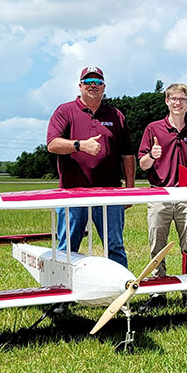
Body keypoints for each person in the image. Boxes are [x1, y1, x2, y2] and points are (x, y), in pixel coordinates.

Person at [46, 65, 134, 269]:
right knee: (67, 246)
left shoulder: (116, 115)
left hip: (109, 193)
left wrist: (129, 189)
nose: (92, 86)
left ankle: (119, 293)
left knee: (115, 245)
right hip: (72, 192)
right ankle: (62, 294)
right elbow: (52, 144)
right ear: (80, 86)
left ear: (104, 87)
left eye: (97, 82)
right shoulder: (65, 111)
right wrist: (79, 145)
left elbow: (127, 154)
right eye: (88, 82)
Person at [136, 83, 187, 311]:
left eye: (182, 99)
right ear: (167, 101)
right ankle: (158, 292)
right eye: (173, 99)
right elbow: (142, 164)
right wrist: (151, 155)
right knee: (157, 245)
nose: (178, 103)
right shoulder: (153, 129)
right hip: (159, 194)